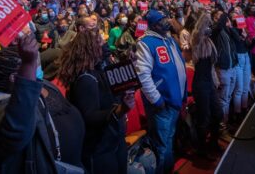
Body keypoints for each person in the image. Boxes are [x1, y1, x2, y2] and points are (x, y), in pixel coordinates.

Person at [0, 34, 85, 173]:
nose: (37, 67)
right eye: (32, 65)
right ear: (15, 78)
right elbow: (15, 133)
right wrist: (28, 64)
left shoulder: (43, 85)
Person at [60, 28, 133, 174]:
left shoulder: (99, 68)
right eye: (100, 42)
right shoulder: (86, 79)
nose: (105, 45)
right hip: (99, 149)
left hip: (113, 141)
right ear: (90, 48)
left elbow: (113, 92)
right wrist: (120, 110)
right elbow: (90, 116)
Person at [135, 10, 187, 174]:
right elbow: (142, 75)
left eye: (166, 18)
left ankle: (169, 170)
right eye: (162, 20)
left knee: (169, 139)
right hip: (161, 104)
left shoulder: (169, 38)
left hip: (174, 101)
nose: (167, 21)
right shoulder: (146, 42)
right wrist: (156, 99)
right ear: (154, 25)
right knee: (161, 145)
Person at [190, 12, 222, 159]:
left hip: (209, 81)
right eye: (207, 25)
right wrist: (207, 14)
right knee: (204, 117)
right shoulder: (196, 39)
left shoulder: (209, 41)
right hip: (200, 83)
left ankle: (213, 142)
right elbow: (200, 30)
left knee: (218, 113)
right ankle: (201, 149)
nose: (209, 28)